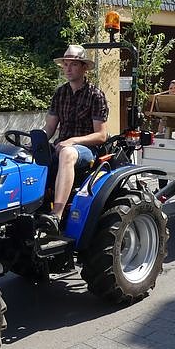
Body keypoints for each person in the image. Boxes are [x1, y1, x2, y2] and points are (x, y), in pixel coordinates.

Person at [42, 45, 109, 228]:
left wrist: (73, 141)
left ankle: (56, 214)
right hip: (61, 145)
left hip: (86, 151)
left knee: (67, 153)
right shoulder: (60, 93)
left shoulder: (95, 95)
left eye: (73, 65)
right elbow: (49, 127)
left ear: (84, 68)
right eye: (65, 64)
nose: (68, 69)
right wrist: (35, 143)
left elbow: (101, 135)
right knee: (28, 156)